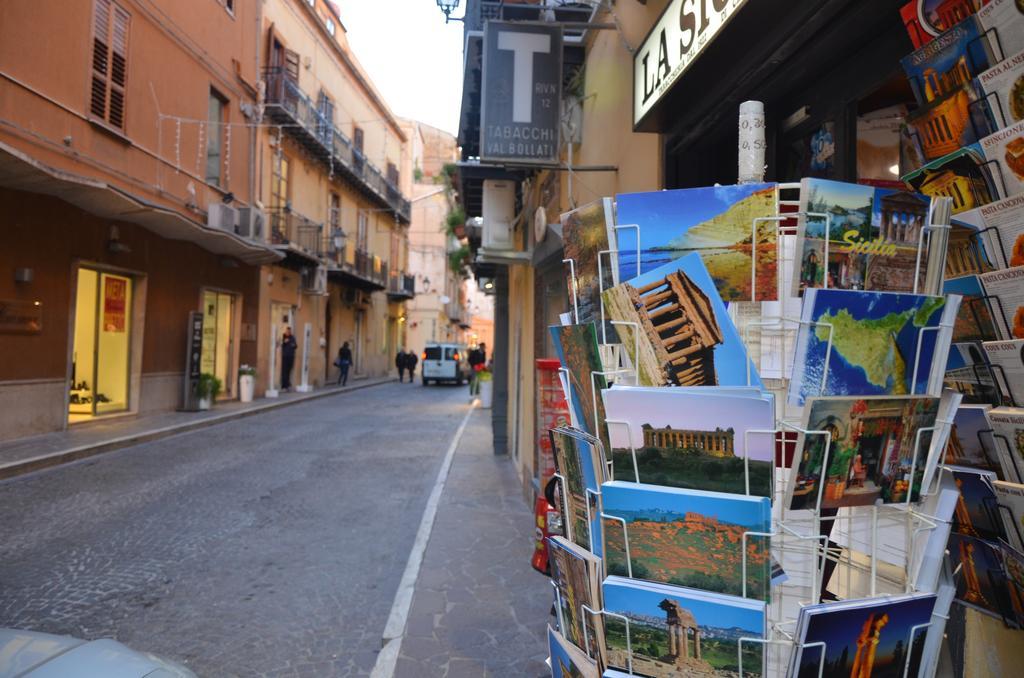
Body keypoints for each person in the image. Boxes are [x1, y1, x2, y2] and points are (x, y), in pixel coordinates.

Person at [280, 326, 297, 392]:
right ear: (285, 331)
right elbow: (281, 344)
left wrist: (293, 345)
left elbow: (296, 346)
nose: (288, 332)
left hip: (291, 356)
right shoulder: (283, 337)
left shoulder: (292, 337)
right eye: (287, 331)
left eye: (289, 332)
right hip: (285, 356)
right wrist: (284, 342)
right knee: (284, 371)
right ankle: (284, 386)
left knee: (289, 371)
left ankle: (287, 385)